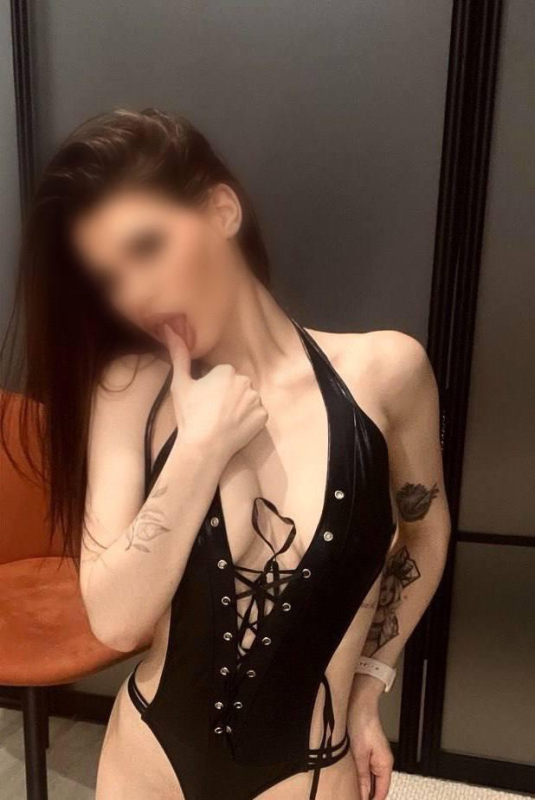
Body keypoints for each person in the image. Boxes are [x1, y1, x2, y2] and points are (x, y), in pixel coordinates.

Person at [1, 109, 450, 800]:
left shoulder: (385, 373)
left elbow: (424, 532)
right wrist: (200, 448)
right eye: (111, 278)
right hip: (146, 763)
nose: (137, 294)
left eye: (147, 246)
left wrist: (369, 686)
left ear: (220, 210)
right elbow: (116, 619)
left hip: (307, 774)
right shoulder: (128, 388)